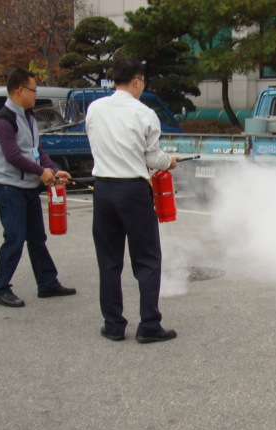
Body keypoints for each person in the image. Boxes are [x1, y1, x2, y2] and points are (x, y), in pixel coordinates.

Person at [85, 57, 179, 344]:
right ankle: (149, 325)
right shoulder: (144, 113)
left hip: (103, 189)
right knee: (147, 259)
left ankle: (113, 325)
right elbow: (153, 157)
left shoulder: (95, 109)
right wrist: (169, 161)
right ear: (136, 81)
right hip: (133, 191)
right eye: (143, 82)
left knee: (109, 261)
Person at [0, 67, 76, 307]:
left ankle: (47, 283)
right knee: (15, 238)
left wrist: (53, 170)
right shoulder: (4, 120)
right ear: (20, 90)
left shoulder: (28, 116)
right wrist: (40, 172)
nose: (36, 94)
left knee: (37, 237)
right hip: (8, 188)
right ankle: (0, 288)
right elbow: (12, 156)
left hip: (27, 187)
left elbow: (37, 150)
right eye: (33, 90)